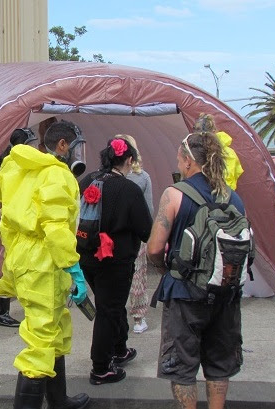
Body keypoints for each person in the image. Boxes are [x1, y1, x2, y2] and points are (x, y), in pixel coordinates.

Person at [0, 120, 90, 409]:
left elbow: (6, 220)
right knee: (41, 341)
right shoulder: (56, 175)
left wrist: (13, 263)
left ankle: (58, 401)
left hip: (30, 260)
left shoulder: (20, 170)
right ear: (62, 145)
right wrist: (74, 268)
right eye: (75, 148)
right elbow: (56, 227)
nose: (77, 154)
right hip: (45, 263)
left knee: (54, 331)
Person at [147, 131, 246, 409]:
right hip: (225, 293)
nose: (179, 165)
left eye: (180, 160)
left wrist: (165, 268)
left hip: (185, 292)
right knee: (219, 363)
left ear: (189, 161)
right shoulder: (233, 197)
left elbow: (154, 248)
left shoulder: (175, 194)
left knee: (182, 366)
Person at [78, 137, 152, 385]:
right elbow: (145, 229)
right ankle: (100, 368)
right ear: (128, 160)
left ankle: (119, 349)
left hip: (87, 256)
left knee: (112, 305)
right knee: (109, 310)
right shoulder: (128, 189)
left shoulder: (88, 180)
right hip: (115, 260)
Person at [0, 128, 36, 328]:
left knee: (13, 262)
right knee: (12, 264)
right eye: (32, 143)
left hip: (13, 220)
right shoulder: (12, 164)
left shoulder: (11, 161)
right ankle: (1, 312)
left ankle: (4, 310)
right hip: (13, 222)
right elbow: (2, 194)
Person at [118, 135, 154, 334]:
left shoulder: (105, 177)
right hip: (135, 234)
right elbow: (148, 210)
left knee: (122, 275)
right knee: (137, 275)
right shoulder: (142, 177)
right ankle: (139, 317)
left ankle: (127, 313)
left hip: (118, 235)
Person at [193, 113, 244, 190]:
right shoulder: (229, 153)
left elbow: (227, 180)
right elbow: (236, 173)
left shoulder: (225, 153)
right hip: (224, 195)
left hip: (219, 196)